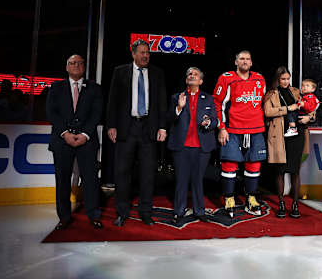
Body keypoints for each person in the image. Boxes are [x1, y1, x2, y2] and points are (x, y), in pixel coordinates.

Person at [106, 39, 167, 227]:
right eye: (141, 52)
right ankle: (122, 212)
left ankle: (146, 211)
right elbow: (113, 101)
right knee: (122, 172)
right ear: (133, 54)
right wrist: (111, 126)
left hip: (148, 128)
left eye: (147, 52)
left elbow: (162, 102)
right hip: (127, 128)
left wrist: (162, 127)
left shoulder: (157, 73)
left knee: (148, 173)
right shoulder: (120, 72)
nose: (145, 55)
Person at [46, 54, 103, 230]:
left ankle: (93, 215)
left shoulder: (95, 88)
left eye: (79, 63)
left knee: (91, 179)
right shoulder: (56, 87)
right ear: (67, 67)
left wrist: (85, 134)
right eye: (72, 63)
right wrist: (65, 133)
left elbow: (97, 113)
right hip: (62, 140)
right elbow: (51, 112)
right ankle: (64, 217)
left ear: (84, 67)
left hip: (87, 140)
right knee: (62, 179)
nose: (76, 65)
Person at [212, 50, 267, 218]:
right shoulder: (226, 78)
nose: (245, 61)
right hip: (232, 129)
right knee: (229, 166)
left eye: (248, 59)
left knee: (254, 165)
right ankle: (229, 198)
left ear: (251, 63)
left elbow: (264, 103)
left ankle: (251, 198)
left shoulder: (259, 79)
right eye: (241, 59)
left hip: (256, 129)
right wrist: (221, 127)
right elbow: (217, 103)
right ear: (236, 62)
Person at [167, 67, 218, 223]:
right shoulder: (177, 97)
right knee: (181, 179)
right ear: (186, 79)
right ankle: (179, 210)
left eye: (195, 74)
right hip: (181, 146)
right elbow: (169, 119)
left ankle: (199, 210)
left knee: (197, 179)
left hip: (202, 146)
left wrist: (208, 122)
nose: (192, 76)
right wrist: (179, 108)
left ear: (201, 81)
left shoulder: (208, 99)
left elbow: (214, 120)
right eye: (189, 74)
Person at [264, 67, 316, 218]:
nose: (286, 81)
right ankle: (281, 204)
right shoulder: (271, 93)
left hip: (298, 135)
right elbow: (267, 112)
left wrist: (310, 118)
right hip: (280, 135)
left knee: (295, 171)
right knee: (280, 171)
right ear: (277, 79)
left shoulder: (296, 91)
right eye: (283, 79)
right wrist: (288, 109)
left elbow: (310, 107)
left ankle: (295, 204)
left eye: (288, 78)